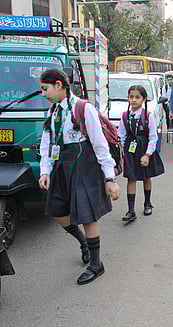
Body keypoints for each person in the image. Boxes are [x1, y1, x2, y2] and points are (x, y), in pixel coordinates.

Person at [38, 68, 120, 285]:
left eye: (45, 89)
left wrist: (110, 179)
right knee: (57, 212)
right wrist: (45, 170)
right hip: (61, 166)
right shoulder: (53, 111)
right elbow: (47, 144)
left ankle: (96, 264)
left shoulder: (83, 108)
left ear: (58, 85)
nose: (43, 93)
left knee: (87, 215)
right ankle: (83, 242)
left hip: (84, 165)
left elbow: (100, 145)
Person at [118, 85, 165, 223]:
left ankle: (147, 203)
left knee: (146, 176)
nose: (133, 100)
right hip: (130, 151)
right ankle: (131, 210)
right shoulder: (125, 115)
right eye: (131, 97)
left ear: (143, 99)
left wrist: (148, 154)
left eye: (137, 97)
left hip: (144, 150)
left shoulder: (147, 116)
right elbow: (121, 134)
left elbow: (153, 137)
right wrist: (123, 151)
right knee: (131, 178)